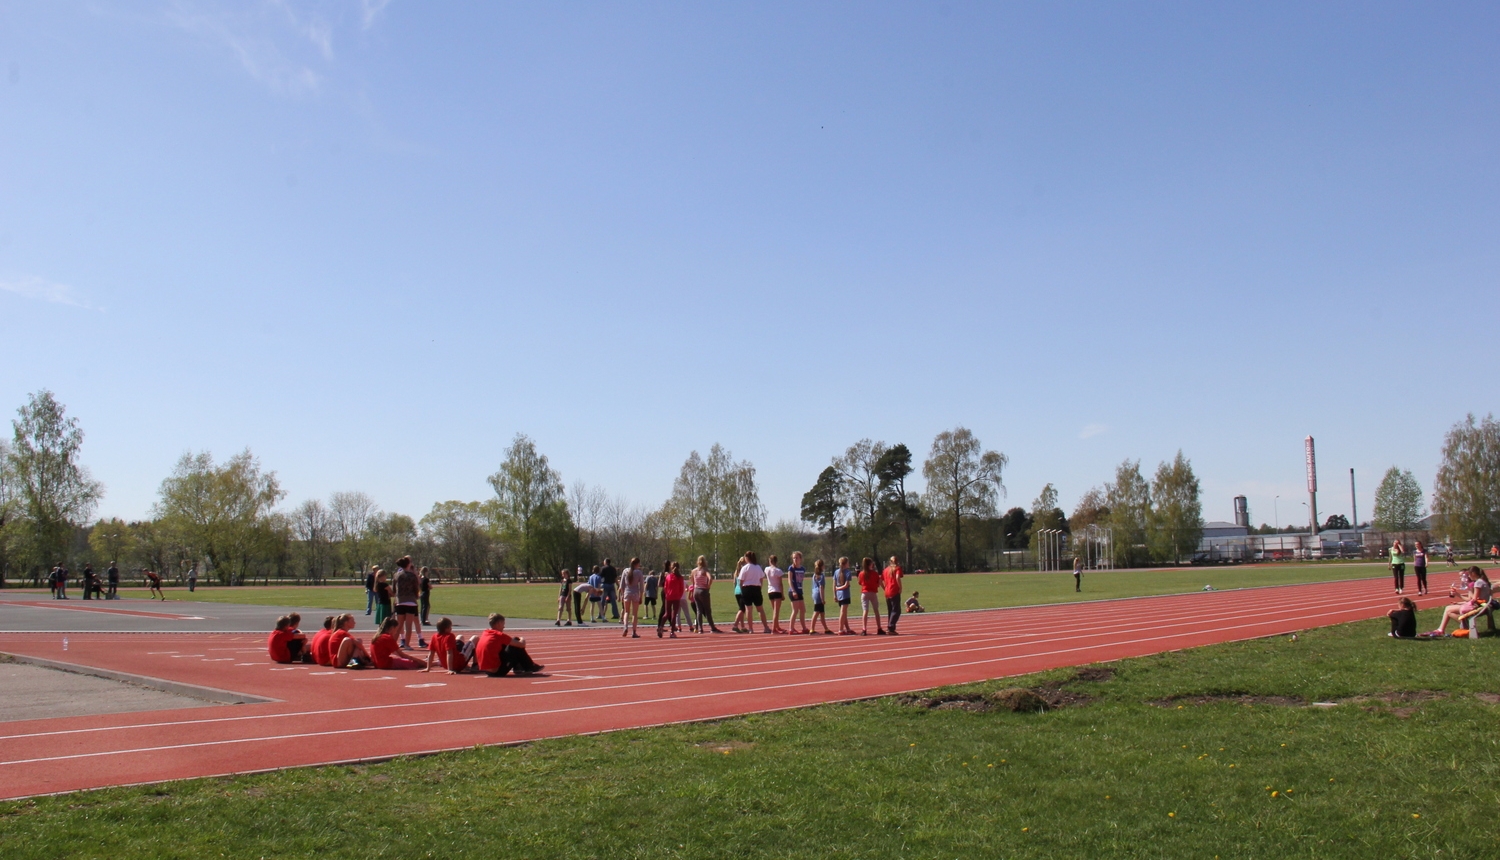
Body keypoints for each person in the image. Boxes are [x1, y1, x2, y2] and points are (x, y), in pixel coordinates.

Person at [475, 614, 544, 677]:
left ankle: (518, 667)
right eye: (503, 624)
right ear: (499, 623)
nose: (504, 627)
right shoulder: (499, 635)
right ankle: (530, 667)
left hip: (486, 671)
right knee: (515, 642)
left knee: (507, 645)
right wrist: (522, 638)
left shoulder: (485, 633)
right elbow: (521, 645)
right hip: (498, 672)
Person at [1432, 569, 1492, 636]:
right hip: (1481, 605)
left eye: (1462, 576)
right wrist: (1459, 603)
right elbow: (1471, 600)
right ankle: (1441, 629)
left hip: (1477, 606)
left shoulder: (1472, 584)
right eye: (1460, 576)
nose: (1461, 578)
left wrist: (1458, 595)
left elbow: (1471, 599)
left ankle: (1466, 627)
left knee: (1448, 609)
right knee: (1448, 609)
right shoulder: (1473, 583)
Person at [392, 557, 423, 649]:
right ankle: (406, 644)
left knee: (399, 625)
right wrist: (417, 596)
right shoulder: (411, 576)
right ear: (408, 564)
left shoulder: (396, 575)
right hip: (411, 602)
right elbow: (415, 588)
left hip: (400, 602)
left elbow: (394, 589)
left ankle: (393, 644)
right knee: (408, 625)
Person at [736, 551, 770, 633]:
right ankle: (766, 627)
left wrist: (742, 590)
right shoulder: (758, 567)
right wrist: (759, 587)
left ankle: (751, 628)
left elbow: (741, 580)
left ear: (747, 558)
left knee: (748, 609)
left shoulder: (745, 568)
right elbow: (762, 579)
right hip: (756, 588)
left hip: (746, 588)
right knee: (760, 609)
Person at [689, 555, 720, 633]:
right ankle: (712, 627)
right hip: (703, 590)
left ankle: (700, 629)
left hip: (696, 590)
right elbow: (710, 578)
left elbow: (692, 581)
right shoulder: (705, 570)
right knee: (707, 610)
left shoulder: (694, 571)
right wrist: (708, 586)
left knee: (699, 610)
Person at [656, 561, 685, 638]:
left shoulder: (668, 577)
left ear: (671, 567)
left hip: (668, 597)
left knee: (666, 613)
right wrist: (679, 595)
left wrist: (667, 594)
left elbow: (665, 587)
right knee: (674, 614)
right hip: (676, 597)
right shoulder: (680, 577)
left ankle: (660, 627)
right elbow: (682, 588)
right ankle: (672, 632)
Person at [858, 557, 886, 636]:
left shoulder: (861, 573)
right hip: (873, 593)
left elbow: (860, 582)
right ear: (870, 564)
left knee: (865, 611)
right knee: (876, 611)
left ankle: (864, 629)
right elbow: (878, 583)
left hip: (864, 593)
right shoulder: (874, 573)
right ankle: (879, 628)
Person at [620, 558, 645, 638]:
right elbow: (641, 587)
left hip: (627, 592)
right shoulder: (639, 572)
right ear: (637, 564)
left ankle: (625, 627)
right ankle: (634, 632)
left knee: (626, 611)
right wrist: (641, 597)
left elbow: (622, 585)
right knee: (635, 613)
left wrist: (622, 595)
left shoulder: (625, 571)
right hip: (635, 593)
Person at [786, 551, 809, 635]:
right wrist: (793, 591)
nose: (795, 559)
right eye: (794, 558)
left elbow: (801, 580)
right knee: (795, 610)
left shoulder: (802, 569)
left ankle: (804, 628)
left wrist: (800, 589)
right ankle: (791, 629)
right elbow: (789, 580)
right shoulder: (791, 568)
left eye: (797, 558)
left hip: (799, 591)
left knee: (803, 610)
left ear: (800, 559)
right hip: (793, 591)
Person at [809, 558, 833, 635]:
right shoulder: (821, 576)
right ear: (822, 566)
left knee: (822, 613)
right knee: (816, 612)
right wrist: (822, 599)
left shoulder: (814, 575)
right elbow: (821, 588)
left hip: (814, 594)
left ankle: (826, 628)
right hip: (818, 595)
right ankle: (812, 629)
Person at [882, 555, 905, 635]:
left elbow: (880, 580)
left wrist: (884, 587)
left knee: (890, 610)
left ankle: (890, 627)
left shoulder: (885, 570)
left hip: (887, 591)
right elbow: (898, 577)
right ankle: (891, 627)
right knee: (896, 610)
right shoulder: (897, 568)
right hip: (894, 591)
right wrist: (900, 587)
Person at [764, 555, 787, 634]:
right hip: (777, 591)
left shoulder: (766, 569)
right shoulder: (778, 571)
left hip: (770, 591)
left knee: (774, 610)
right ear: (776, 561)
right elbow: (780, 584)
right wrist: (782, 594)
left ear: (770, 561)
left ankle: (777, 627)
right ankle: (774, 629)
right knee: (776, 612)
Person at [833, 557, 855, 635]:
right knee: (843, 612)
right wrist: (838, 588)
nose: (849, 564)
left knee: (844, 612)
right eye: (848, 562)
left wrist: (835, 594)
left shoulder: (836, 572)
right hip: (845, 594)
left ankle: (848, 629)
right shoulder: (848, 572)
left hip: (839, 595)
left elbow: (834, 585)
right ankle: (840, 629)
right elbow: (846, 585)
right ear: (845, 564)